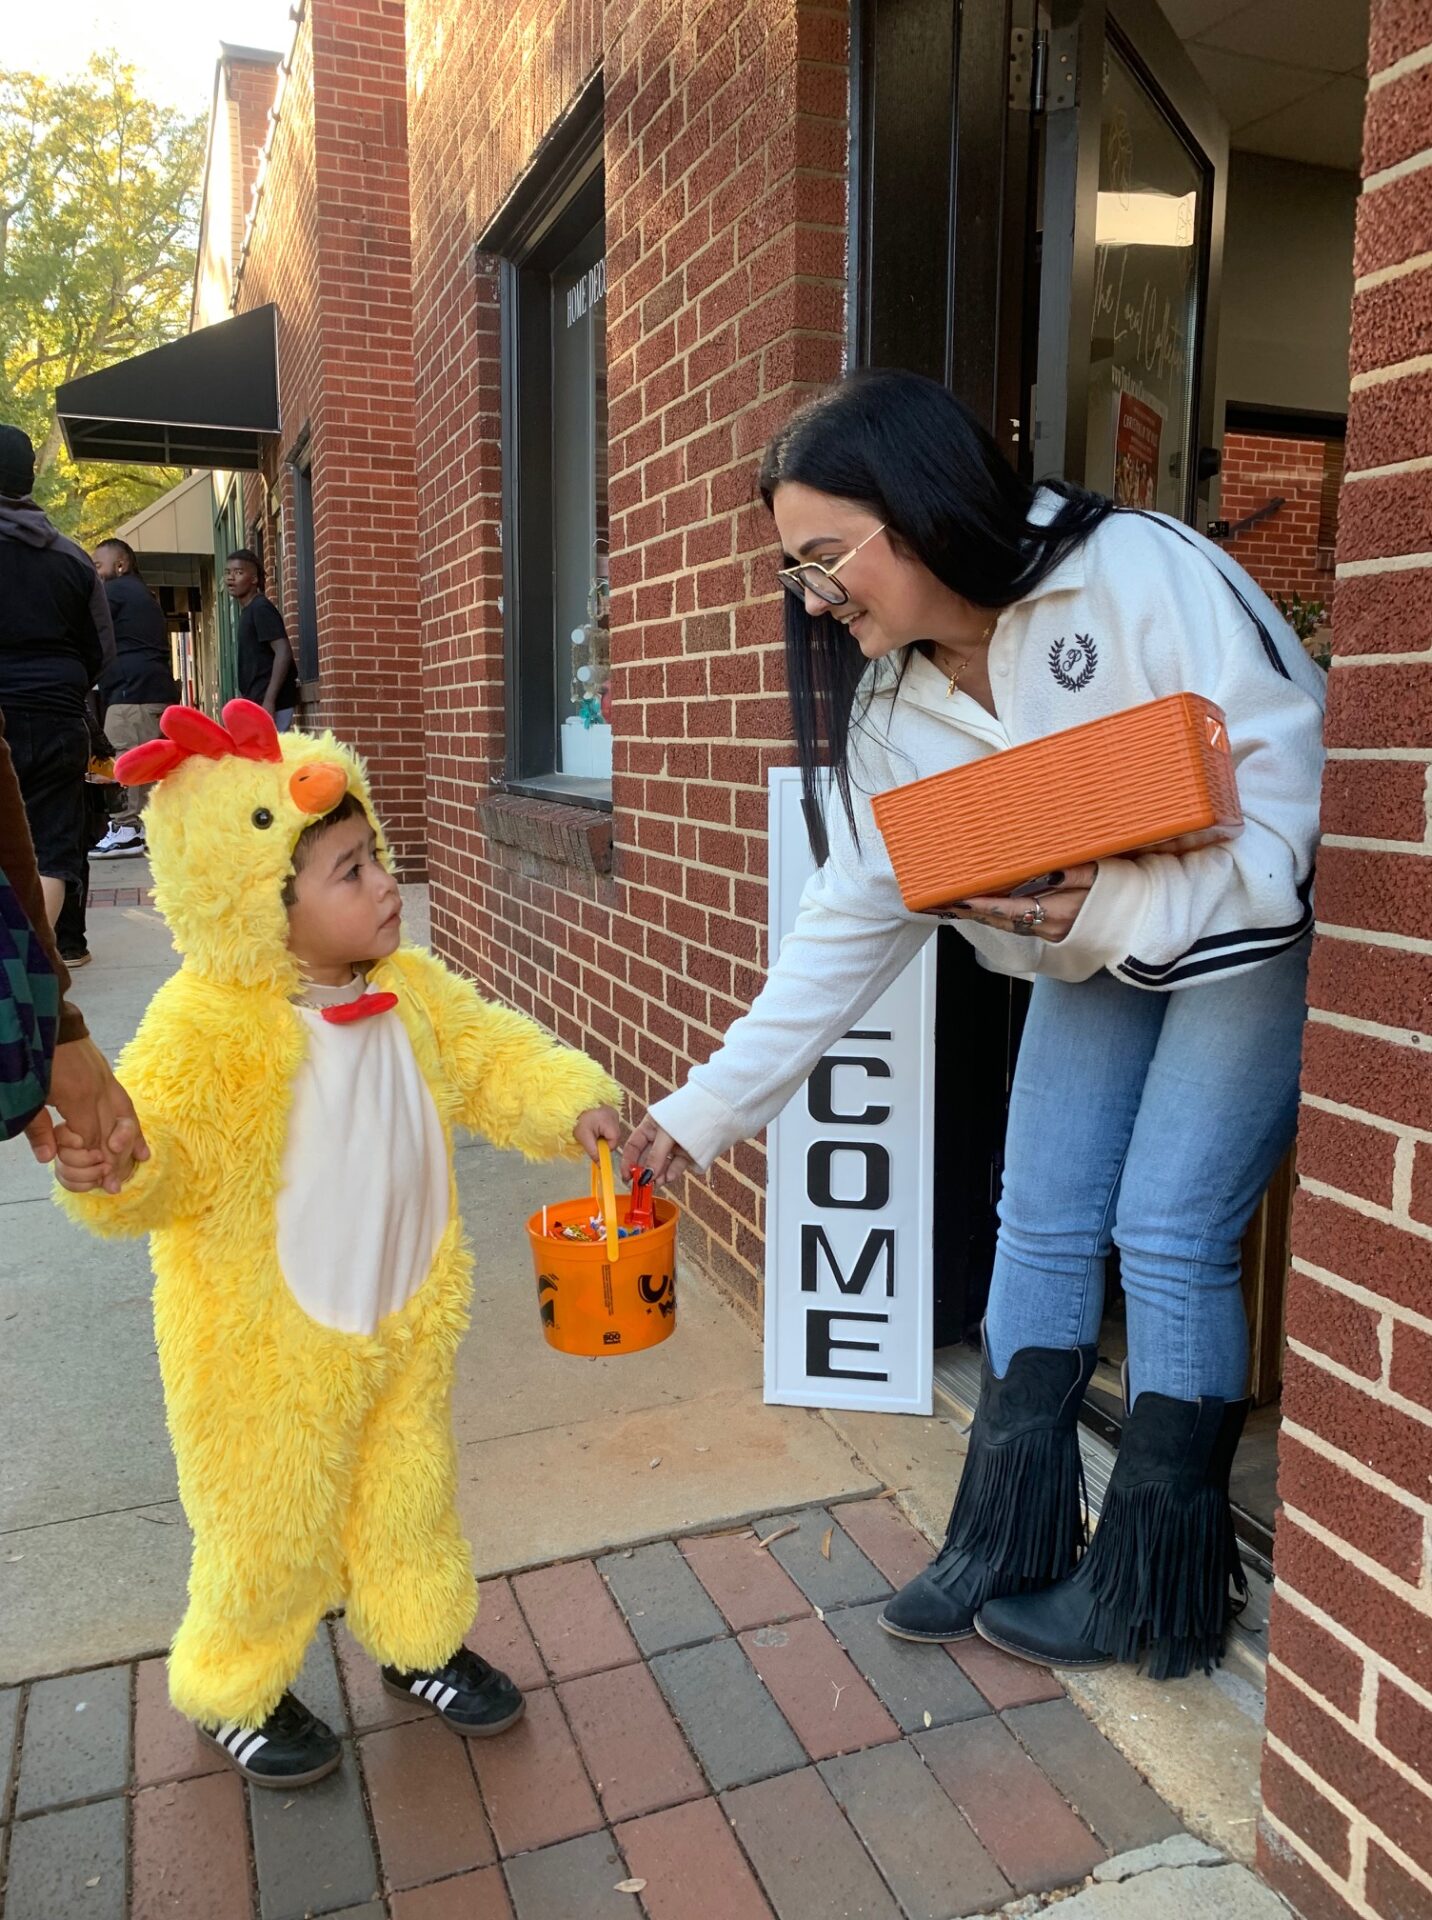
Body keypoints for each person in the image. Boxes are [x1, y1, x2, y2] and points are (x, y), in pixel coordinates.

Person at [624, 369, 1326, 1682]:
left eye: (825, 557)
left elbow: (1291, 805)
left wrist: (1103, 902)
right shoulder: (895, 711)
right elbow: (848, 924)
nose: (811, 597)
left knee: (1167, 1227)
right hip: (1090, 944)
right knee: (1038, 1213)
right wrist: (699, 1114)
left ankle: (1154, 1588)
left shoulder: (1137, 571)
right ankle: (1007, 1532)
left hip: (1244, 934)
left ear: (921, 507)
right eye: (793, 570)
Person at [56, 699, 622, 1785]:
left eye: (377, 858)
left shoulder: (411, 991)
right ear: (256, 902)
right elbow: (161, 1151)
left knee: (409, 1493)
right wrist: (117, 1165)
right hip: (267, 1349)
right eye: (349, 872)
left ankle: (417, 1637)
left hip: (402, 1308)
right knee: (266, 1522)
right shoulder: (206, 1025)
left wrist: (569, 1104)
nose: (385, 884)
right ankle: (234, 1684)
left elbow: (492, 1055)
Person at [0, 425, 114, 931]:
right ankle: (37, 960)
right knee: (50, 849)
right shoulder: (72, 558)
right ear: (28, 478)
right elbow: (101, 650)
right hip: (58, 716)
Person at [91, 538, 180, 861]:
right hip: (152, 691)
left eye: (98, 565)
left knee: (123, 758)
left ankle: (125, 829)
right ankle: (140, 828)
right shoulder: (143, 594)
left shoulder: (115, 591)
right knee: (146, 763)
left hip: (131, 694)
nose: (95, 573)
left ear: (120, 565)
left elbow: (82, 623)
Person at [226, 548, 298, 726]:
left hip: (273, 705)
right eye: (228, 572)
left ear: (254, 579)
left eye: (238, 572)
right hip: (258, 704)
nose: (231, 578)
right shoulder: (248, 611)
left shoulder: (261, 608)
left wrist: (269, 701)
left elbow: (283, 651)